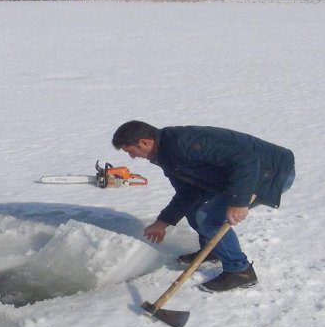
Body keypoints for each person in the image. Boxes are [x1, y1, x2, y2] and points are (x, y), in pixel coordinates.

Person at [111, 120, 295, 292]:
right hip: (240, 173)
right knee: (194, 207)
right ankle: (216, 250)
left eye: (130, 151)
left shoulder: (184, 143)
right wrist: (163, 222)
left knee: (209, 218)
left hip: (270, 172)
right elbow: (188, 192)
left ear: (144, 142)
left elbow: (245, 159)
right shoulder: (166, 154)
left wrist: (239, 201)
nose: (132, 157)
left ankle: (240, 271)